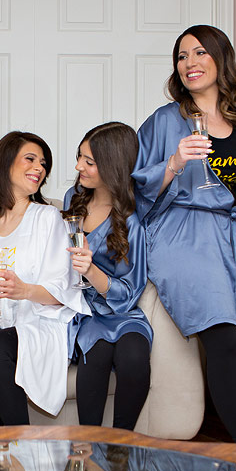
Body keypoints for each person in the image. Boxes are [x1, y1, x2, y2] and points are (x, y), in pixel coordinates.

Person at [134, 24, 236, 450]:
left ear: (221, 60)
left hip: (235, 238)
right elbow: (137, 191)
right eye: (182, 57)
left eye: (199, 53)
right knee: (221, 331)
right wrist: (175, 161)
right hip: (179, 234)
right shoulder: (164, 121)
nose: (189, 63)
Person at [0, 132, 88, 425]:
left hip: (39, 325)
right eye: (30, 159)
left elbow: (64, 289)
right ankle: (0, 442)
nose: (39, 168)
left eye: (43, 163)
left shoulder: (48, 218)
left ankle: (19, 443)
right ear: (6, 163)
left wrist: (23, 290)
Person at [62, 122, 152, 430]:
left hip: (124, 313)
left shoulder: (133, 220)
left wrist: (91, 269)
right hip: (85, 314)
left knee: (134, 360)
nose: (78, 167)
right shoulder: (71, 201)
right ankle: (89, 452)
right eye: (79, 157)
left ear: (113, 166)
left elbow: (129, 292)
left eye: (89, 161)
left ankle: (120, 450)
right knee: (95, 358)